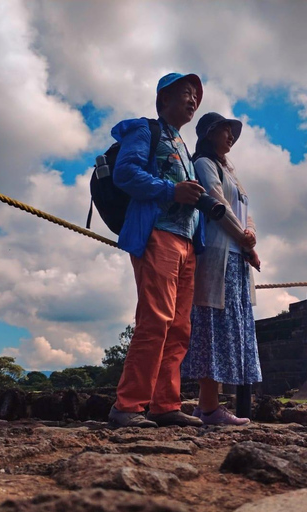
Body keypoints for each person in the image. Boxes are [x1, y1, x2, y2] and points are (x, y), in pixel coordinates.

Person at [107, 73, 207, 428]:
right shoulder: (144, 129)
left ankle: (166, 404)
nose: (193, 99)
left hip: (187, 242)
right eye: (185, 93)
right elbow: (126, 173)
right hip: (158, 234)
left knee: (180, 326)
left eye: (196, 95)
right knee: (156, 320)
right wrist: (170, 191)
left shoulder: (182, 144)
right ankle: (128, 406)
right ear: (162, 99)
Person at [181, 112, 262, 426]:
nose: (230, 136)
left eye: (232, 132)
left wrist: (250, 234)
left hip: (236, 257)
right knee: (212, 327)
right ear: (209, 133)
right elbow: (218, 206)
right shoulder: (204, 164)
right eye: (225, 131)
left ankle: (208, 406)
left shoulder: (231, 170)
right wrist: (245, 240)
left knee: (229, 327)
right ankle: (211, 407)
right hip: (218, 255)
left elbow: (245, 211)